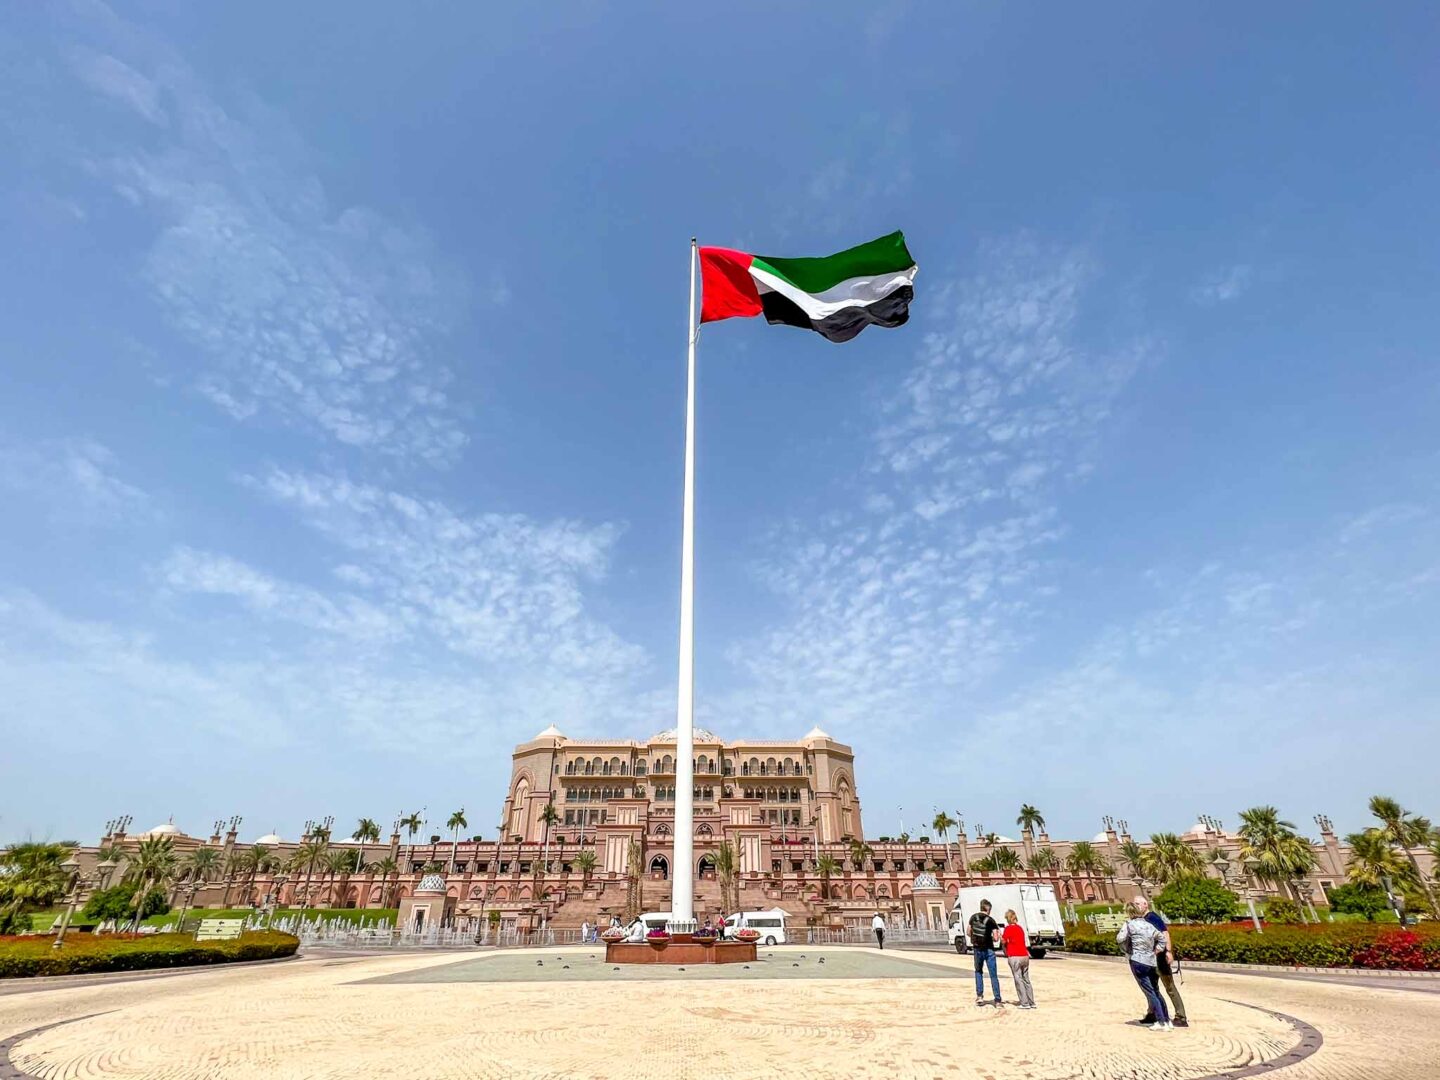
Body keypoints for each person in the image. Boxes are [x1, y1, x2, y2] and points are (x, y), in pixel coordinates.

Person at [1117, 898, 1171, 1031]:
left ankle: (1161, 1022)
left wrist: (1126, 948)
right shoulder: (1148, 924)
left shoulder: (1129, 924)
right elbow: (1162, 938)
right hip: (1151, 961)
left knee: (1150, 992)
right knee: (1156, 991)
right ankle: (1167, 1020)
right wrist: (1157, 949)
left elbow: (1120, 938)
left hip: (1138, 961)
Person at [1135, 898, 1188, 1027]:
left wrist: (1168, 951)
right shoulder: (1141, 920)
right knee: (1151, 988)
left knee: (1169, 987)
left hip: (1160, 958)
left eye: (1137, 904)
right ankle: (1152, 1013)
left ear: (1145, 905)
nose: (1135, 906)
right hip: (1149, 959)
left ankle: (1181, 1016)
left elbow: (1165, 933)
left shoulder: (1152, 917)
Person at [968, 899, 1003, 1006]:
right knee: (993, 974)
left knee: (978, 971)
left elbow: (968, 932)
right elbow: (996, 938)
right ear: (988, 909)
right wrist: (992, 938)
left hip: (977, 948)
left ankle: (979, 996)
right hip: (989, 949)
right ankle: (997, 1000)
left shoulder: (973, 918)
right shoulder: (991, 920)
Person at [1000, 909, 1035, 1009]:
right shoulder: (1020, 928)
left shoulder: (1008, 929)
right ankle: (1031, 1001)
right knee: (1026, 979)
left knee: (1018, 979)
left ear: (1008, 919)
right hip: (1024, 955)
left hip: (1014, 956)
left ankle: (1024, 1003)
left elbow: (1003, 941)